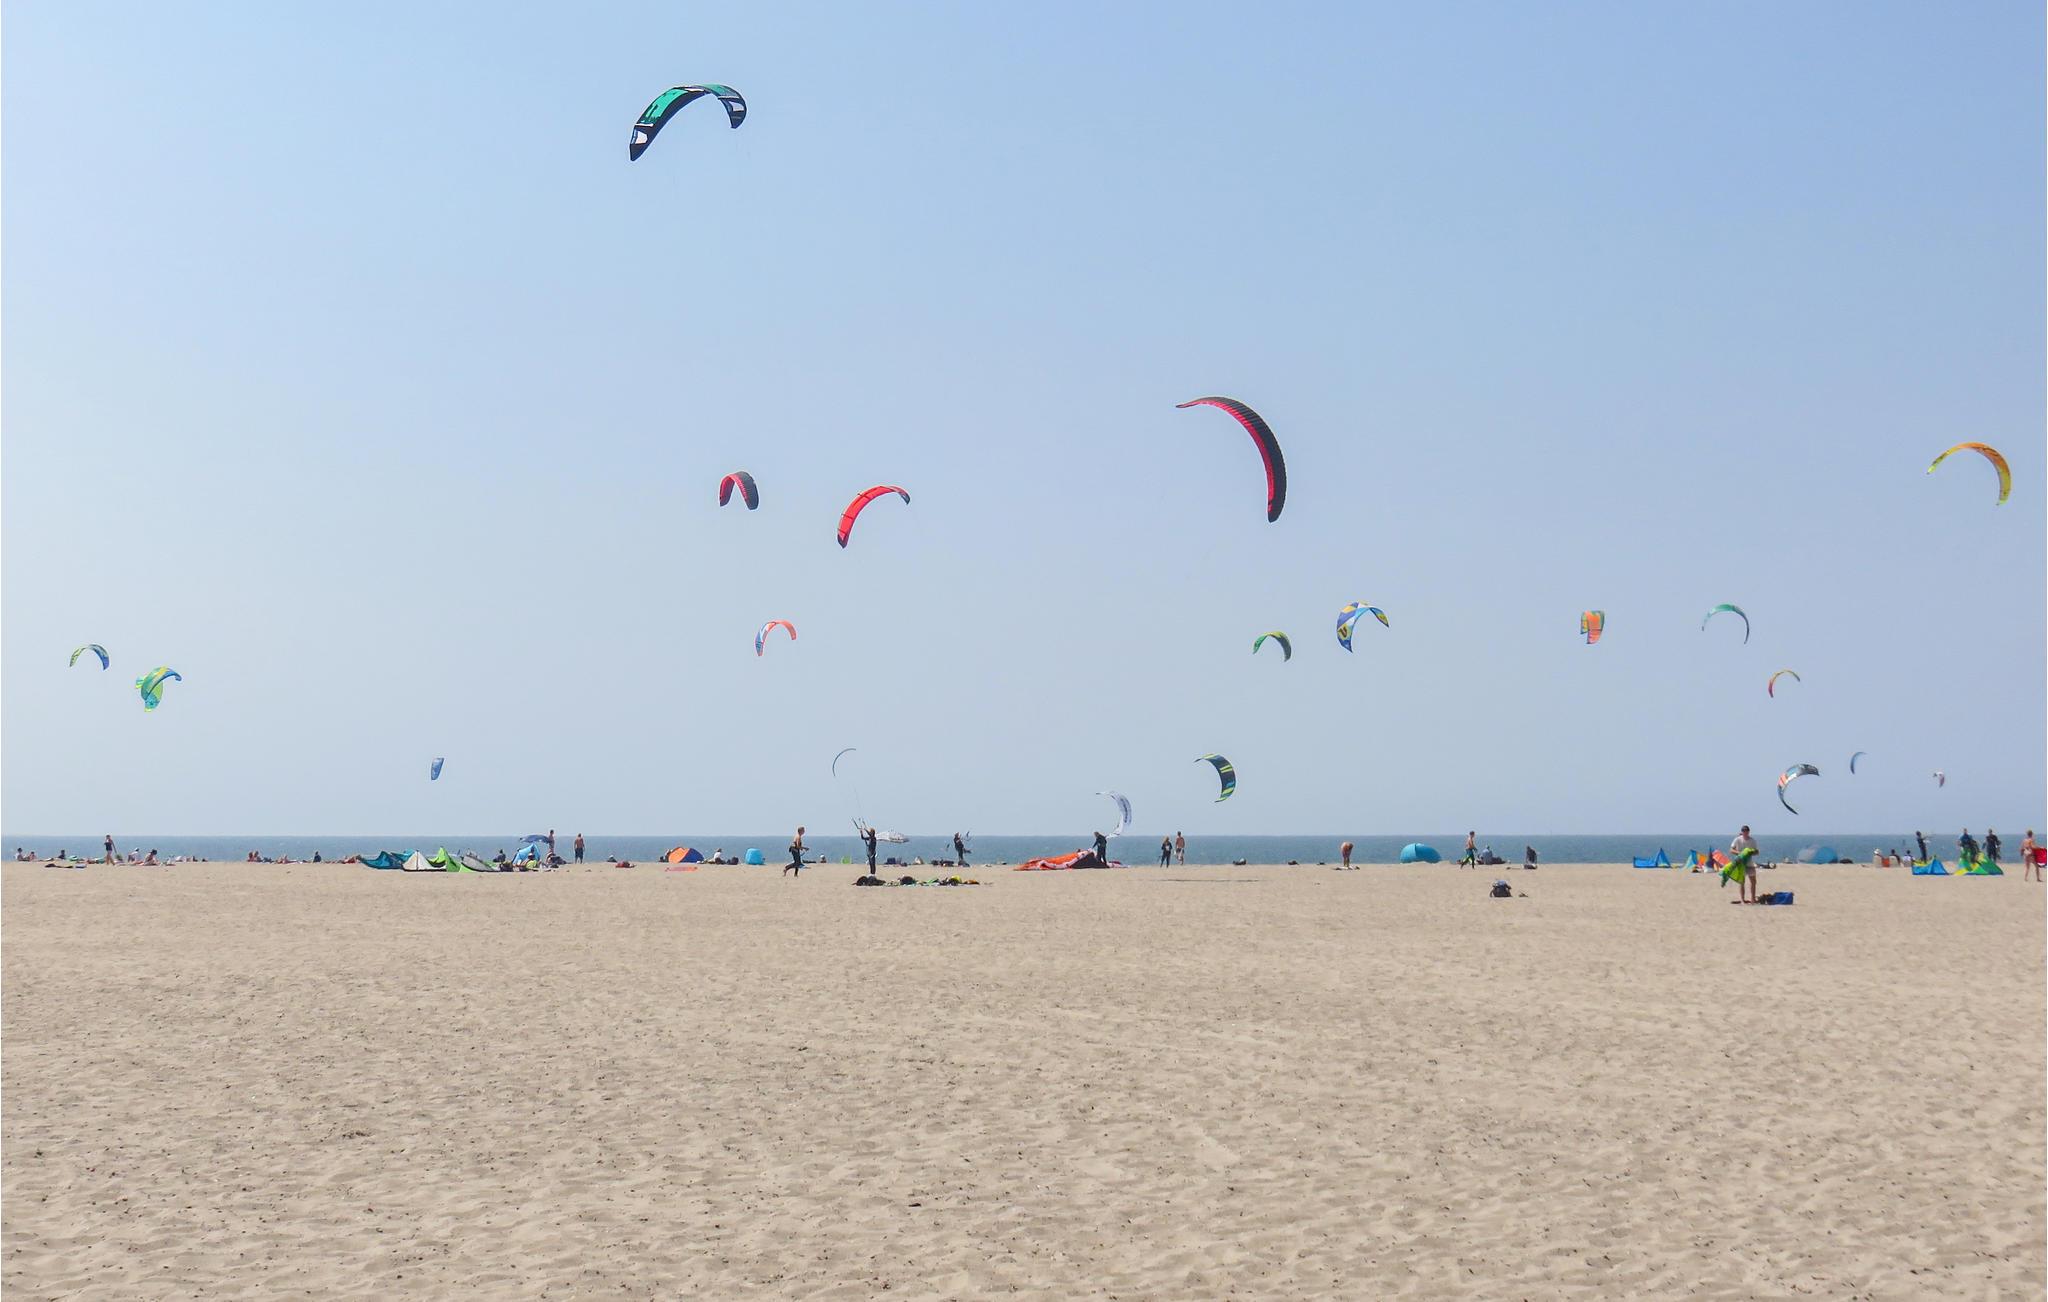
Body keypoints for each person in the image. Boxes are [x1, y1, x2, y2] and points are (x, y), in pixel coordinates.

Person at [1728, 825, 1759, 903]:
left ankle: (1753, 899)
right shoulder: (1737, 839)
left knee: (1753, 881)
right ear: (1742, 831)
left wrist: (1751, 852)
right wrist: (1739, 853)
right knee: (1742, 882)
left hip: (1750, 863)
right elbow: (1731, 850)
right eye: (1743, 830)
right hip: (1740, 863)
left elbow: (1757, 851)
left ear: (1748, 831)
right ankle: (1742, 899)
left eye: (1746, 830)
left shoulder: (1752, 840)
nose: (1745, 832)